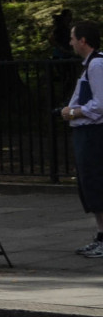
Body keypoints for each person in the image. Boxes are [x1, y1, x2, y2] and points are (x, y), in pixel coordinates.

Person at [60, 20, 103, 256]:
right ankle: (100, 236)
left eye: (73, 38)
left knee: (95, 183)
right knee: (90, 184)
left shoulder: (97, 66)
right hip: (86, 133)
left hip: (93, 134)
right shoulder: (92, 65)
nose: (71, 42)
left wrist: (73, 112)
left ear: (83, 41)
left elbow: (100, 104)